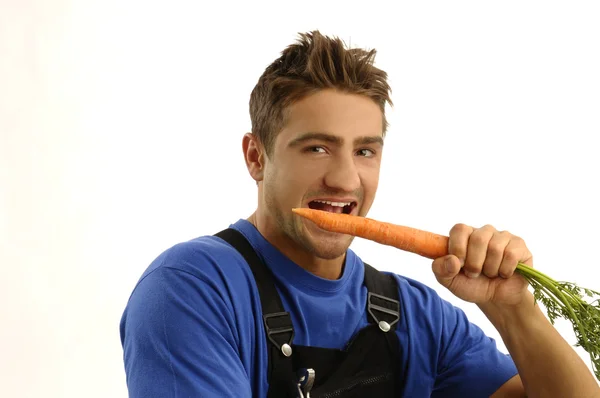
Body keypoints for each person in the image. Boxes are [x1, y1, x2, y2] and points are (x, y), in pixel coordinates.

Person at [119, 31, 600, 397]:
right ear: (256, 157)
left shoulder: (417, 313)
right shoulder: (193, 288)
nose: (346, 179)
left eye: (365, 151)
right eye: (317, 148)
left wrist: (515, 311)